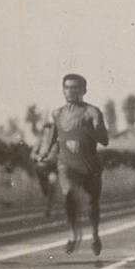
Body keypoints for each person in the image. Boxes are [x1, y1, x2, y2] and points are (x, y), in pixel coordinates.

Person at [37, 74, 109, 255]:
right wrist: (44, 152)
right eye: (68, 87)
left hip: (89, 163)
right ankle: (72, 234)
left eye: (76, 88)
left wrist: (92, 129)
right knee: (68, 194)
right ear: (63, 90)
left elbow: (105, 140)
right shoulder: (57, 113)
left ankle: (95, 234)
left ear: (84, 90)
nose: (71, 91)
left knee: (93, 204)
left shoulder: (92, 112)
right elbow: (53, 136)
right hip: (67, 163)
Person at [29, 122, 58, 217]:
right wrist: (38, 157)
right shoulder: (40, 142)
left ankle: (48, 209)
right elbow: (32, 154)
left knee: (52, 184)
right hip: (41, 169)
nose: (48, 136)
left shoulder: (57, 144)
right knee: (45, 190)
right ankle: (48, 202)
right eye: (46, 133)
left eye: (50, 134)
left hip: (52, 168)